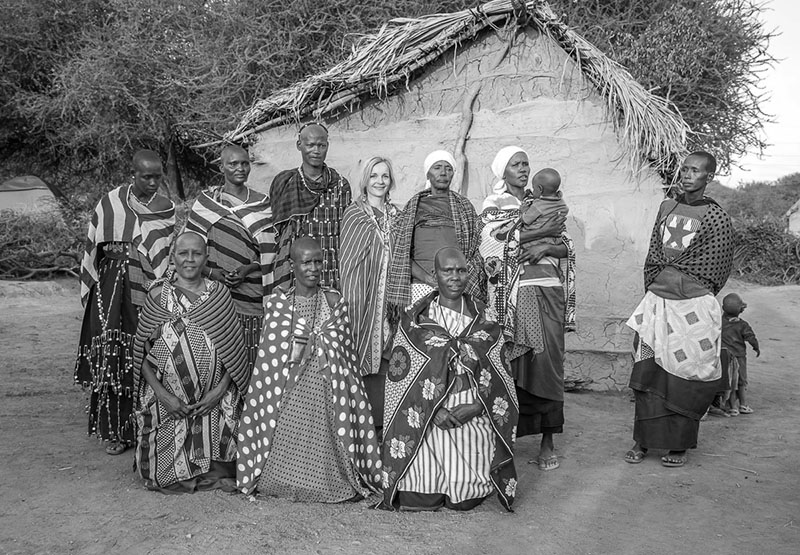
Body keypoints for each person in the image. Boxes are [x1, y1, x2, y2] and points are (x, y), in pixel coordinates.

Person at [236, 237, 382, 502]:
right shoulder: (279, 305)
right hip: (288, 391)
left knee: (327, 434)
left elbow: (345, 358)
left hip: (328, 390)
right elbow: (269, 362)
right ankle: (281, 480)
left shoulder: (334, 301)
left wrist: (320, 344)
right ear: (293, 266)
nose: (313, 268)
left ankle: (328, 482)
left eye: (318, 261)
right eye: (306, 262)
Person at [379, 247, 518, 512]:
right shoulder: (415, 321)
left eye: (461, 270)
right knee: (417, 497)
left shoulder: (485, 319)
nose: (455, 277)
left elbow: (502, 378)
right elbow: (400, 379)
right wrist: (434, 410)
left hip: (472, 408)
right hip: (425, 412)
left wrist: (478, 406)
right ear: (435, 274)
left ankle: (466, 478)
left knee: (463, 501)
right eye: (447, 271)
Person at [624, 151, 734, 468]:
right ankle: (642, 440)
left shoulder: (716, 217)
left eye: (696, 171)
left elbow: (717, 265)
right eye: (684, 169)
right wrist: (662, 280)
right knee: (648, 370)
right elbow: (655, 252)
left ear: (708, 177)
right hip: (657, 301)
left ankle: (678, 445)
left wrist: (684, 283)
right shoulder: (666, 207)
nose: (687, 175)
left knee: (687, 373)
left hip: (693, 305)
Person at [480, 146, 575, 472]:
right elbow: (492, 241)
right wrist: (542, 232)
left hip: (547, 289)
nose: (522, 169)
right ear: (502, 172)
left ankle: (548, 440)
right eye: (515, 165)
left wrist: (549, 244)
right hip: (510, 298)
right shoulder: (494, 205)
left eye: (526, 164)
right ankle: (503, 438)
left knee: (547, 361)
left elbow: (567, 245)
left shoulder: (545, 202)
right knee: (510, 363)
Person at [131, 232, 250, 493]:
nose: (190, 259)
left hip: (213, 400)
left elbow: (234, 351)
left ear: (206, 258)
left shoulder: (218, 295)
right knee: (158, 476)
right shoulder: (158, 296)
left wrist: (218, 393)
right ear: (173, 257)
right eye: (183, 253)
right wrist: (163, 396)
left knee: (230, 429)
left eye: (197, 253)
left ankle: (213, 470)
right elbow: (139, 352)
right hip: (168, 400)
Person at [75, 149, 175, 455]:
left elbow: (163, 253)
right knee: (110, 352)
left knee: (144, 347)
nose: (153, 182)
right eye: (147, 176)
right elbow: (94, 245)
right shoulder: (111, 202)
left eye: (158, 176)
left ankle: (147, 428)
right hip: (109, 286)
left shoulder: (165, 207)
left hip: (144, 287)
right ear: (133, 174)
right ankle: (115, 432)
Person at [186, 145, 275, 369]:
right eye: (233, 164)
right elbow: (188, 249)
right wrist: (211, 272)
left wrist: (248, 269)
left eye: (245, 163)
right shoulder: (206, 204)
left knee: (251, 358)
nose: (240, 168)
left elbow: (270, 250)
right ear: (221, 167)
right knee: (219, 359)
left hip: (254, 297)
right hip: (216, 295)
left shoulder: (263, 205)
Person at [339, 157, 399, 427]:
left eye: (385, 176)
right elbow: (348, 261)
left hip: (390, 298)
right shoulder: (354, 214)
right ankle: (358, 424)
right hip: (361, 296)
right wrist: (354, 300)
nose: (379, 181)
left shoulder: (396, 215)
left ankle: (382, 423)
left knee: (387, 356)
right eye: (374, 176)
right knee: (358, 349)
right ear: (365, 180)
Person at [387, 150, 484, 311]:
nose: (443, 172)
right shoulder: (414, 207)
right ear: (427, 173)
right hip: (420, 286)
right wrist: (428, 279)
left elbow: (475, 248)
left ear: (453, 173)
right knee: (423, 334)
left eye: (448, 168)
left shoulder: (464, 207)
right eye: (437, 167)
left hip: (456, 286)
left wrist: (454, 278)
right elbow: (401, 252)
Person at [269, 123, 351, 291]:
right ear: (299, 145)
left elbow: (346, 233)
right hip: (296, 273)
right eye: (310, 145)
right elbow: (278, 235)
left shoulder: (340, 184)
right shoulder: (285, 182)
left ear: (327, 146)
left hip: (332, 269)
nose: (316, 150)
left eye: (321, 145)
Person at [721, 293, 760, 415]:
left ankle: (732, 407)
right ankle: (743, 405)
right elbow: (751, 337)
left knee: (731, 382)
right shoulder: (743, 325)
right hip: (739, 357)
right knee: (742, 381)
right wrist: (756, 347)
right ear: (741, 309)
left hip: (725, 357)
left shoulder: (719, 322)